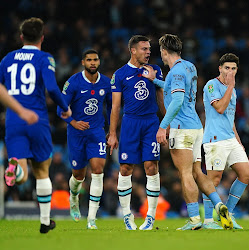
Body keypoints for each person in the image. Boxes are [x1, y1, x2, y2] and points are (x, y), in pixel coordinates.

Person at [142, 34, 233, 230]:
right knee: (197, 172)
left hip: (181, 129)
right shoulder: (189, 67)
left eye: (161, 53)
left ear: (165, 51)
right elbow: (175, 89)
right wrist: (155, 81)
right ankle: (220, 205)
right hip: (196, 127)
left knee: (185, 174)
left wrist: (162, 126)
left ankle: (194, 220)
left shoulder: (175, 72)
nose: (162, 56)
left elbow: (176, 101)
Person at [0, 17, 71, 233]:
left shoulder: (7, 59)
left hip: (13, 119)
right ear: (42, 37)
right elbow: (51, 87)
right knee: (42, 170)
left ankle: (16, 171)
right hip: (37, 119)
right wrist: (65, 107)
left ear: (21, 37)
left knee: (21, 173)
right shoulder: (44, 58)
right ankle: (44, 220)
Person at [107, 35, 164, 230]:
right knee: (125, 169)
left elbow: (161, 97)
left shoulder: (155, 70)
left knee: (151, 167)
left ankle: (150, 217)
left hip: (151, 122)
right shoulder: (120, 74)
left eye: (149, 49)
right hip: (130, 123)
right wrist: (112, 133)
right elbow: (115, 107)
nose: (148, 52)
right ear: (132, 50)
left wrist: (166, 124)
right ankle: (127, 216)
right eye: (144, 49)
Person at [57, 49, 112, 229]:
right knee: (78, 176)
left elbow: (113, 108)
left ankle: (91, 219)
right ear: (83, 62)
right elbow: (60, 110)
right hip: (76, 134)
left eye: (95, 59)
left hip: (97, 132)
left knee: (97, 171)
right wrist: (73, 122)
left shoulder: (106, 82)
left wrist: (111, 131)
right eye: (89, 60)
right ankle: (73, 197)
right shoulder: (73, 82)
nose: (93, 63)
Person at [202, 53, 249, 229]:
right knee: (213, 180)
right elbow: (220, 108)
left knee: (246, 174)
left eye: (233, 68)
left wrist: (238, 141)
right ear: (220, 68)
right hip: (214, 139)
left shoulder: (234, 91)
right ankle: (208, 221)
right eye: (226, 68)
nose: (229, 72)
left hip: (230, 139)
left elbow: (230, 120)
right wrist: (230, 86)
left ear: (236, 70)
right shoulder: (211, 85)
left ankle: (227, 216)